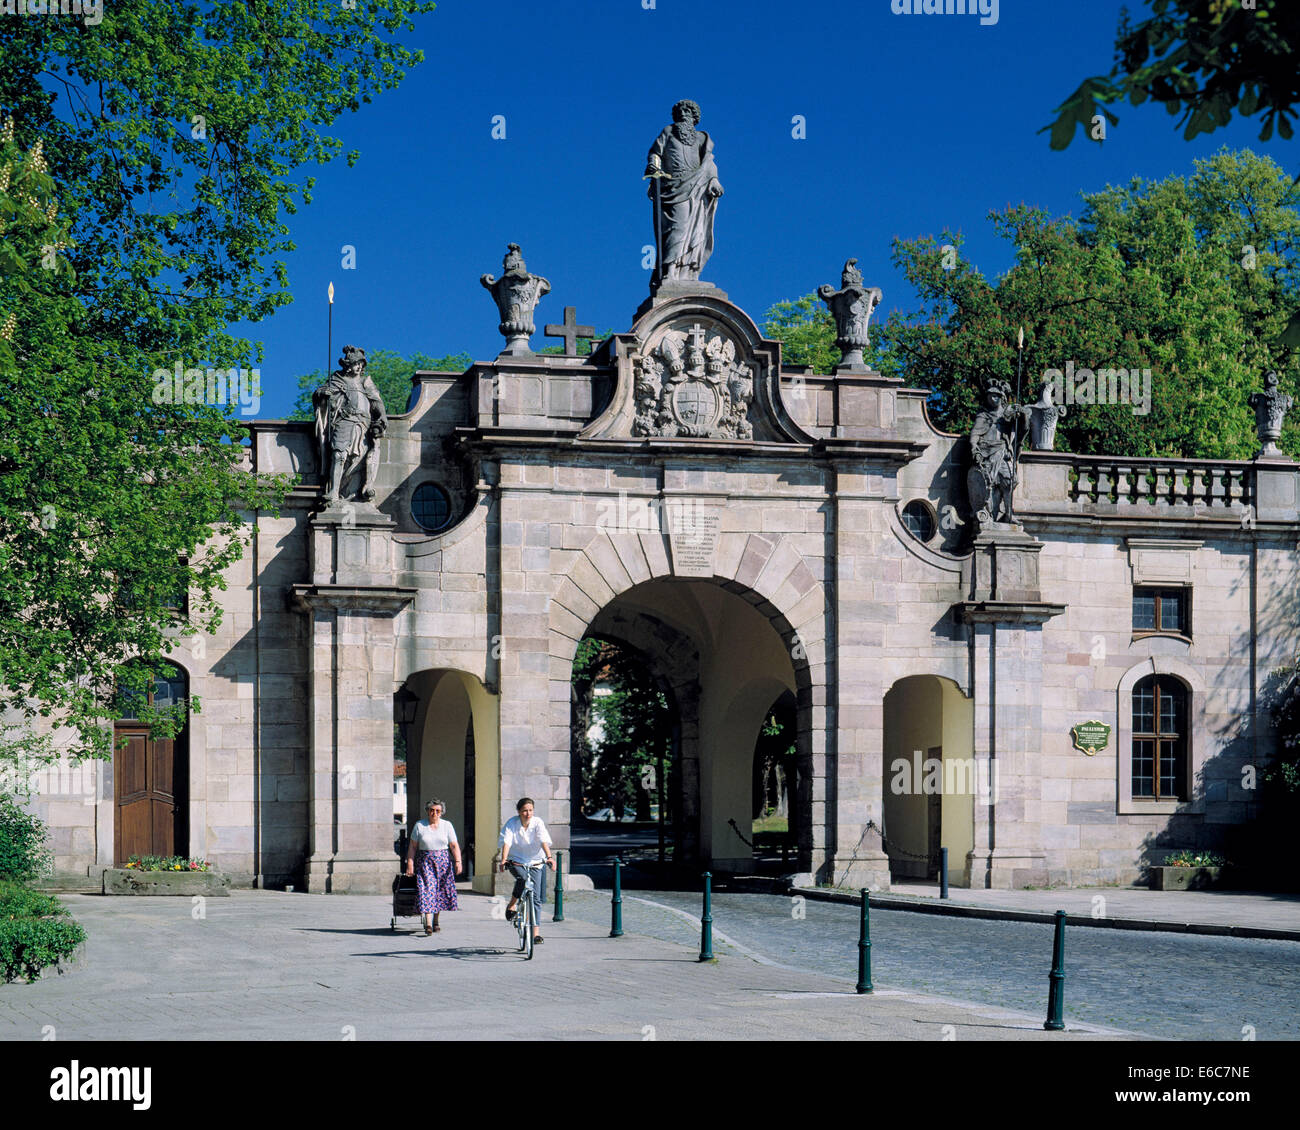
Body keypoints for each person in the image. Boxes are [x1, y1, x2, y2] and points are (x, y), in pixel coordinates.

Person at [498, 797, 555, 944]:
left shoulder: (537, 823)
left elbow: (543, 840)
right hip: (516, 860)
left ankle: (535, 934)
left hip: (536, 861)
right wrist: (503, 859)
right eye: (524, 811)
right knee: (522, 879)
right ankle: (512, 904)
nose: (528, 813)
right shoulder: (512, 823)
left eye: (530, 810)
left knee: (535, 898)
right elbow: (507, 842)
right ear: (519, 811)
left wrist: (549, 857)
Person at [405, 799, 461, 935]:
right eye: (431, 810)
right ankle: (428, 924)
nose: (434, 813)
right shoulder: (420, 825)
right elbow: (413, 847)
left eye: (437, 811)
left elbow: (454, 845)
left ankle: (436, 921)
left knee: (439, 892)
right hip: (425, 863)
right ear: (427, 811)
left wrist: (458, 861)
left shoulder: (447, 825)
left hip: (443, 863)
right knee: (427, 890)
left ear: (441, 813)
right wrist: (410, 864)